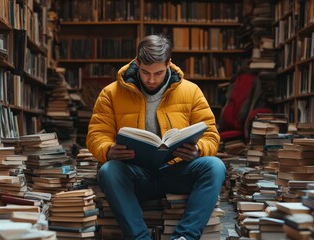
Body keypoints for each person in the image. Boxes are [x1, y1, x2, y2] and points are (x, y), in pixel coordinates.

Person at [86, 34, 226, 240]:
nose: (151, 79)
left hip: (177, 170)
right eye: (145, 72)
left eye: (158, 73)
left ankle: (184, 237)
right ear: (137, 62)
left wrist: (199, 149)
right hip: (136, 174)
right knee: (108, 170)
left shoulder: (191, 91)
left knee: (215, 167)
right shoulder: (111, 93)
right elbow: (96, 134)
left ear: (169, 64)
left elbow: (211, 134)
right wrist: (108, 149)